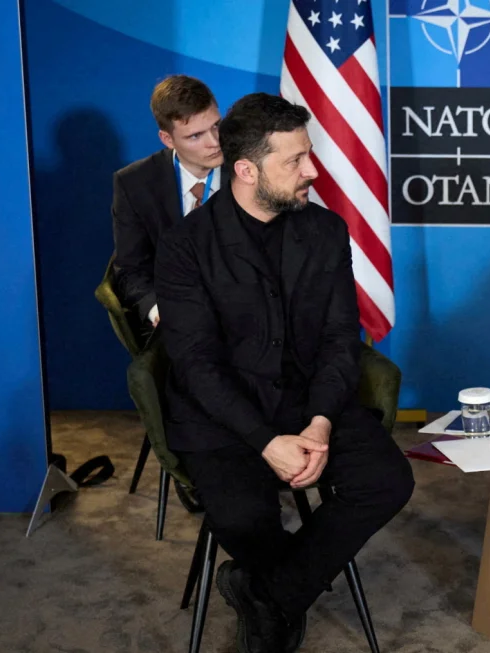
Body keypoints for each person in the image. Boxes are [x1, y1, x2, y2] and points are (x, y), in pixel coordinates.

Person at [155, 93, 415, 653]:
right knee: (244, 517)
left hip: (309, 400)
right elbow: (196, 365)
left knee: (387, 481)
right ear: (246, 170)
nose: (312, 171)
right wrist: (265, 441)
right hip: (223, 417)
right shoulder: (184, 246)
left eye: (309, 154)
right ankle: (281, 592)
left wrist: (319, 422)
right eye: (295, 161)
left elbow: (341, 340)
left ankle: (267, 593)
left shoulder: (325, 231)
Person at [111, 74, 223, 341]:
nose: (215, 142)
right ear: (167, 139)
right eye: (195, 135)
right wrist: (158, 310)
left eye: (216, 126)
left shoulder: (249, 168)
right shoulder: (134, 183)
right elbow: (130, 270)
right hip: (178, 326)